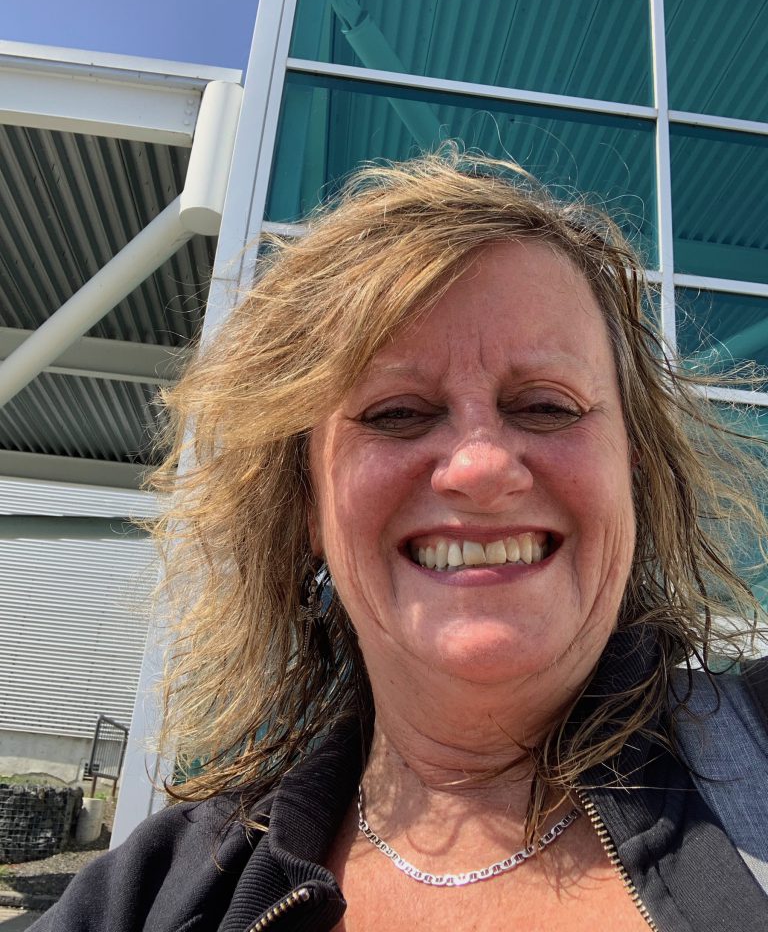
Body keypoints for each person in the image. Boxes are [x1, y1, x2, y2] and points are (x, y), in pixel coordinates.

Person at [31, 149, 768, 931]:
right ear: (309, 506)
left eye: (547, 406)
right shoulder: (153, 898)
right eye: (396, 413)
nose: (481, 467)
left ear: (634, 473)